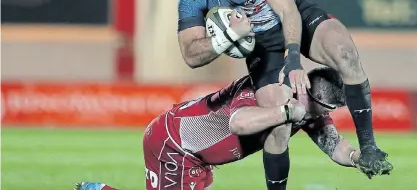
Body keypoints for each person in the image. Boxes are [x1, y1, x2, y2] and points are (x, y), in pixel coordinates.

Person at [175, 0, 392, 189]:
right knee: (279, 121)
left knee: (345, 53)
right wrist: (229, 35)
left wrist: (293, 60)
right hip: (262, 45)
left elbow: (288, 10)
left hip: (293, 14)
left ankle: (370, 147)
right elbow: (191, 55)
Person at [74, 68, 380, 190]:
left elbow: (335, 145)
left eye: (328, 111)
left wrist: (358, 157)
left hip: (196, 155)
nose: (323, 115)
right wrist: (284, 112)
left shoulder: (307, 107)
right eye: (323, 107)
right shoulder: (268, 91)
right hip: (176, 145)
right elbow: (238, 122)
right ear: (305, 88)